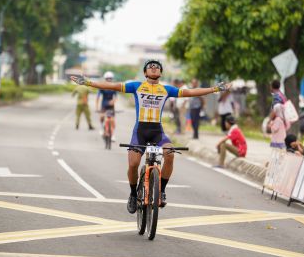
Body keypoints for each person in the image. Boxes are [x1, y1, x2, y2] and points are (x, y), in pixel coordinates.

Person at [71, 60, 229, 212]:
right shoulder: (136, 86)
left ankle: (161, 191)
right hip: (140, 131)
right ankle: (133, 195)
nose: (154, 67)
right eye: (150, 66)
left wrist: (215, 89)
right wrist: (87, 82)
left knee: (170, 154)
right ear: (145, 72)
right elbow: (112, 86)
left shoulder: (166, 89)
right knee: (133, 164)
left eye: (157, 66)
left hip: (157, 132)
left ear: (161, 72)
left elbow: (190, 92)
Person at [96, 71, 117, 139]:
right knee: (102, 117)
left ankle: (113, 135)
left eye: (110, 78)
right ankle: (102, 128)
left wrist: (113, 101)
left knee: (112, 120)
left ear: (112, 79)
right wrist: (97, 107)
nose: (109, 80)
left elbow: (116, 97)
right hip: (104, 105)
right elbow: (98, 97)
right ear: (105, 79)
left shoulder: (114, 86)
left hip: (111, 106)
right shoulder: (102, 86)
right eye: (108, 78)